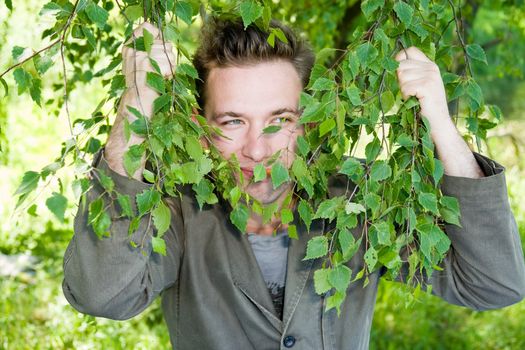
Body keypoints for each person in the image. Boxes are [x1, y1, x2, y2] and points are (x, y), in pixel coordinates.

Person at [62, 17, 525, 349]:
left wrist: (439, 122)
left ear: (310, 121)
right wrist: (136, 108)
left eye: (279, 120)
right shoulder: (178, 211)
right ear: (199, 125)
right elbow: (101, 295)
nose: (257, 151)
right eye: (231, 122)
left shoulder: (358, 202)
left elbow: (495, 284)